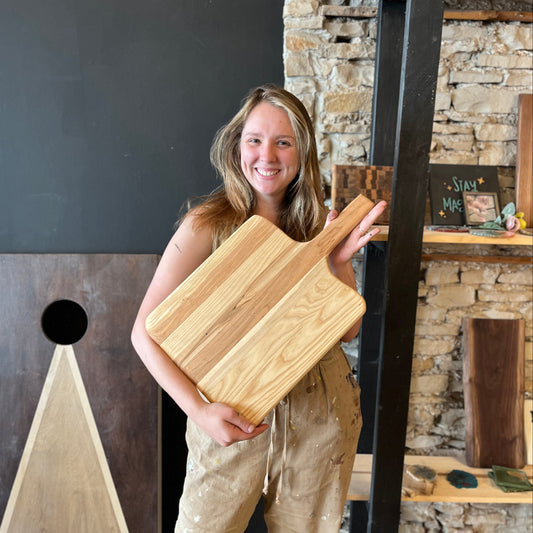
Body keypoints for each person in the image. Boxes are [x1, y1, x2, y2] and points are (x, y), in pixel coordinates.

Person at [131, 84, 386, 533]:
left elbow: (347, 332)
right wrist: (198, 410)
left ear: (301, 153)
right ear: (237, 146)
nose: (267, 155)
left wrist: (338, 262)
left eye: (283, 142)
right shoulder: (206, 225)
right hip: (229, 414)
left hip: (320, 421)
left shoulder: (315, 222)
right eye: (255, 139)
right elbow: (144, 334)